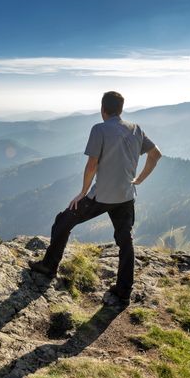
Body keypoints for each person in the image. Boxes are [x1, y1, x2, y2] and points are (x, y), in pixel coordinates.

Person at [29, 91, 162, 307]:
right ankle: (123, 292)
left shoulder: (99, 129)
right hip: (126, 196)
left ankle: (49, 266)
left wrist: (82, 192)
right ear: (121, 108)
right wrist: (139, 180)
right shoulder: (136, 129)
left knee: (63, 220)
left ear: (103, 109)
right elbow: (156, 154)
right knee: (125, 241)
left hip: (101, 195)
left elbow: (92, 165)